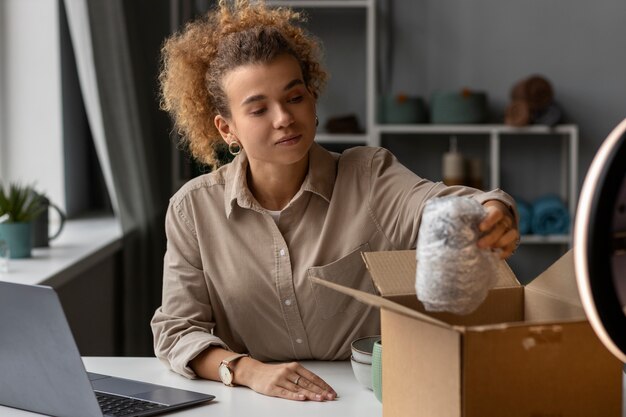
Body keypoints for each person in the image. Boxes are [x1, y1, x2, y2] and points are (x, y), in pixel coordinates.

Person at [151, 0, 520, 403]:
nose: (283, 118)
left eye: (294, 98)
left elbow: (438, 202)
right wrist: (248, 371)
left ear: (312, 98)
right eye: (258, 109)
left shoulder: (369, 175)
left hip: (367, 395)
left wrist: (490, 212)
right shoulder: (193, 210)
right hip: (252, 403)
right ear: (227, 129)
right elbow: (177, 330)